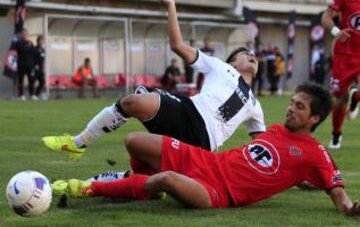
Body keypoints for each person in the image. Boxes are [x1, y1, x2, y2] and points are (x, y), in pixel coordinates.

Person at [52, 83, 360, 216]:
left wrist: (350, 210)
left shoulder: (316, 154)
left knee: (167, 178)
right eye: (292, 102)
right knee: (134, 141)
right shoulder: (277, 131)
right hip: (205, 161)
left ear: (315, 118)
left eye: (299, 107)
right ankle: (142, 188)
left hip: (217, 192)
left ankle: (87, 189)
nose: (290, 109)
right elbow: (273, 166)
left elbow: (339, 197)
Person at [42, 0, 265, 161]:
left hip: (205, 146)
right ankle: (78, 143)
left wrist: (296, 173)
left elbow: (263, 147)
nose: (251, 56)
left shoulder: (255, 106)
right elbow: (178, 45)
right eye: (245, 54)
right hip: (189, 113)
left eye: (253, 55)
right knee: (134, 101)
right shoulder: (220, 67)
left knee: (152, 176)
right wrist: (171, 6)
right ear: (232, 63)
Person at [321, 0, 360, 149]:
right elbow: (326, 17)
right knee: (340, 98)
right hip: (345, 54)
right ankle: (336, 135)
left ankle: (356, 98)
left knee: (350, 95)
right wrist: (337, 32)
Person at [14, 28, 35, 101]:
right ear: (21, 35)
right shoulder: (18, 43)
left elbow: (33, 51)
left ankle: (31, 94)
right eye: (23, 34)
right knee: (21, 80)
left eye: (26, 33)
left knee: (31, 80)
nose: (25, 35)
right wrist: (27, 47)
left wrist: (33, 64)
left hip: (30, 65)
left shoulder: (30, 42)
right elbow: (22, 50)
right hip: (21, 64)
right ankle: (21, 95)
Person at [33, 35, 46, 100]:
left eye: (42, 40)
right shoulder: (35, 49)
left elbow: (43, 59)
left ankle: (36, 95)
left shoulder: (43, 50)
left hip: (41, 68)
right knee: (33, 81)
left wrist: (43, 67)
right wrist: (35, 65)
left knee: (42, 81)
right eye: (40, 40)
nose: (42, 41)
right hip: (35, 68)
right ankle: (32, 94)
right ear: (38, 41)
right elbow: (33, 58)